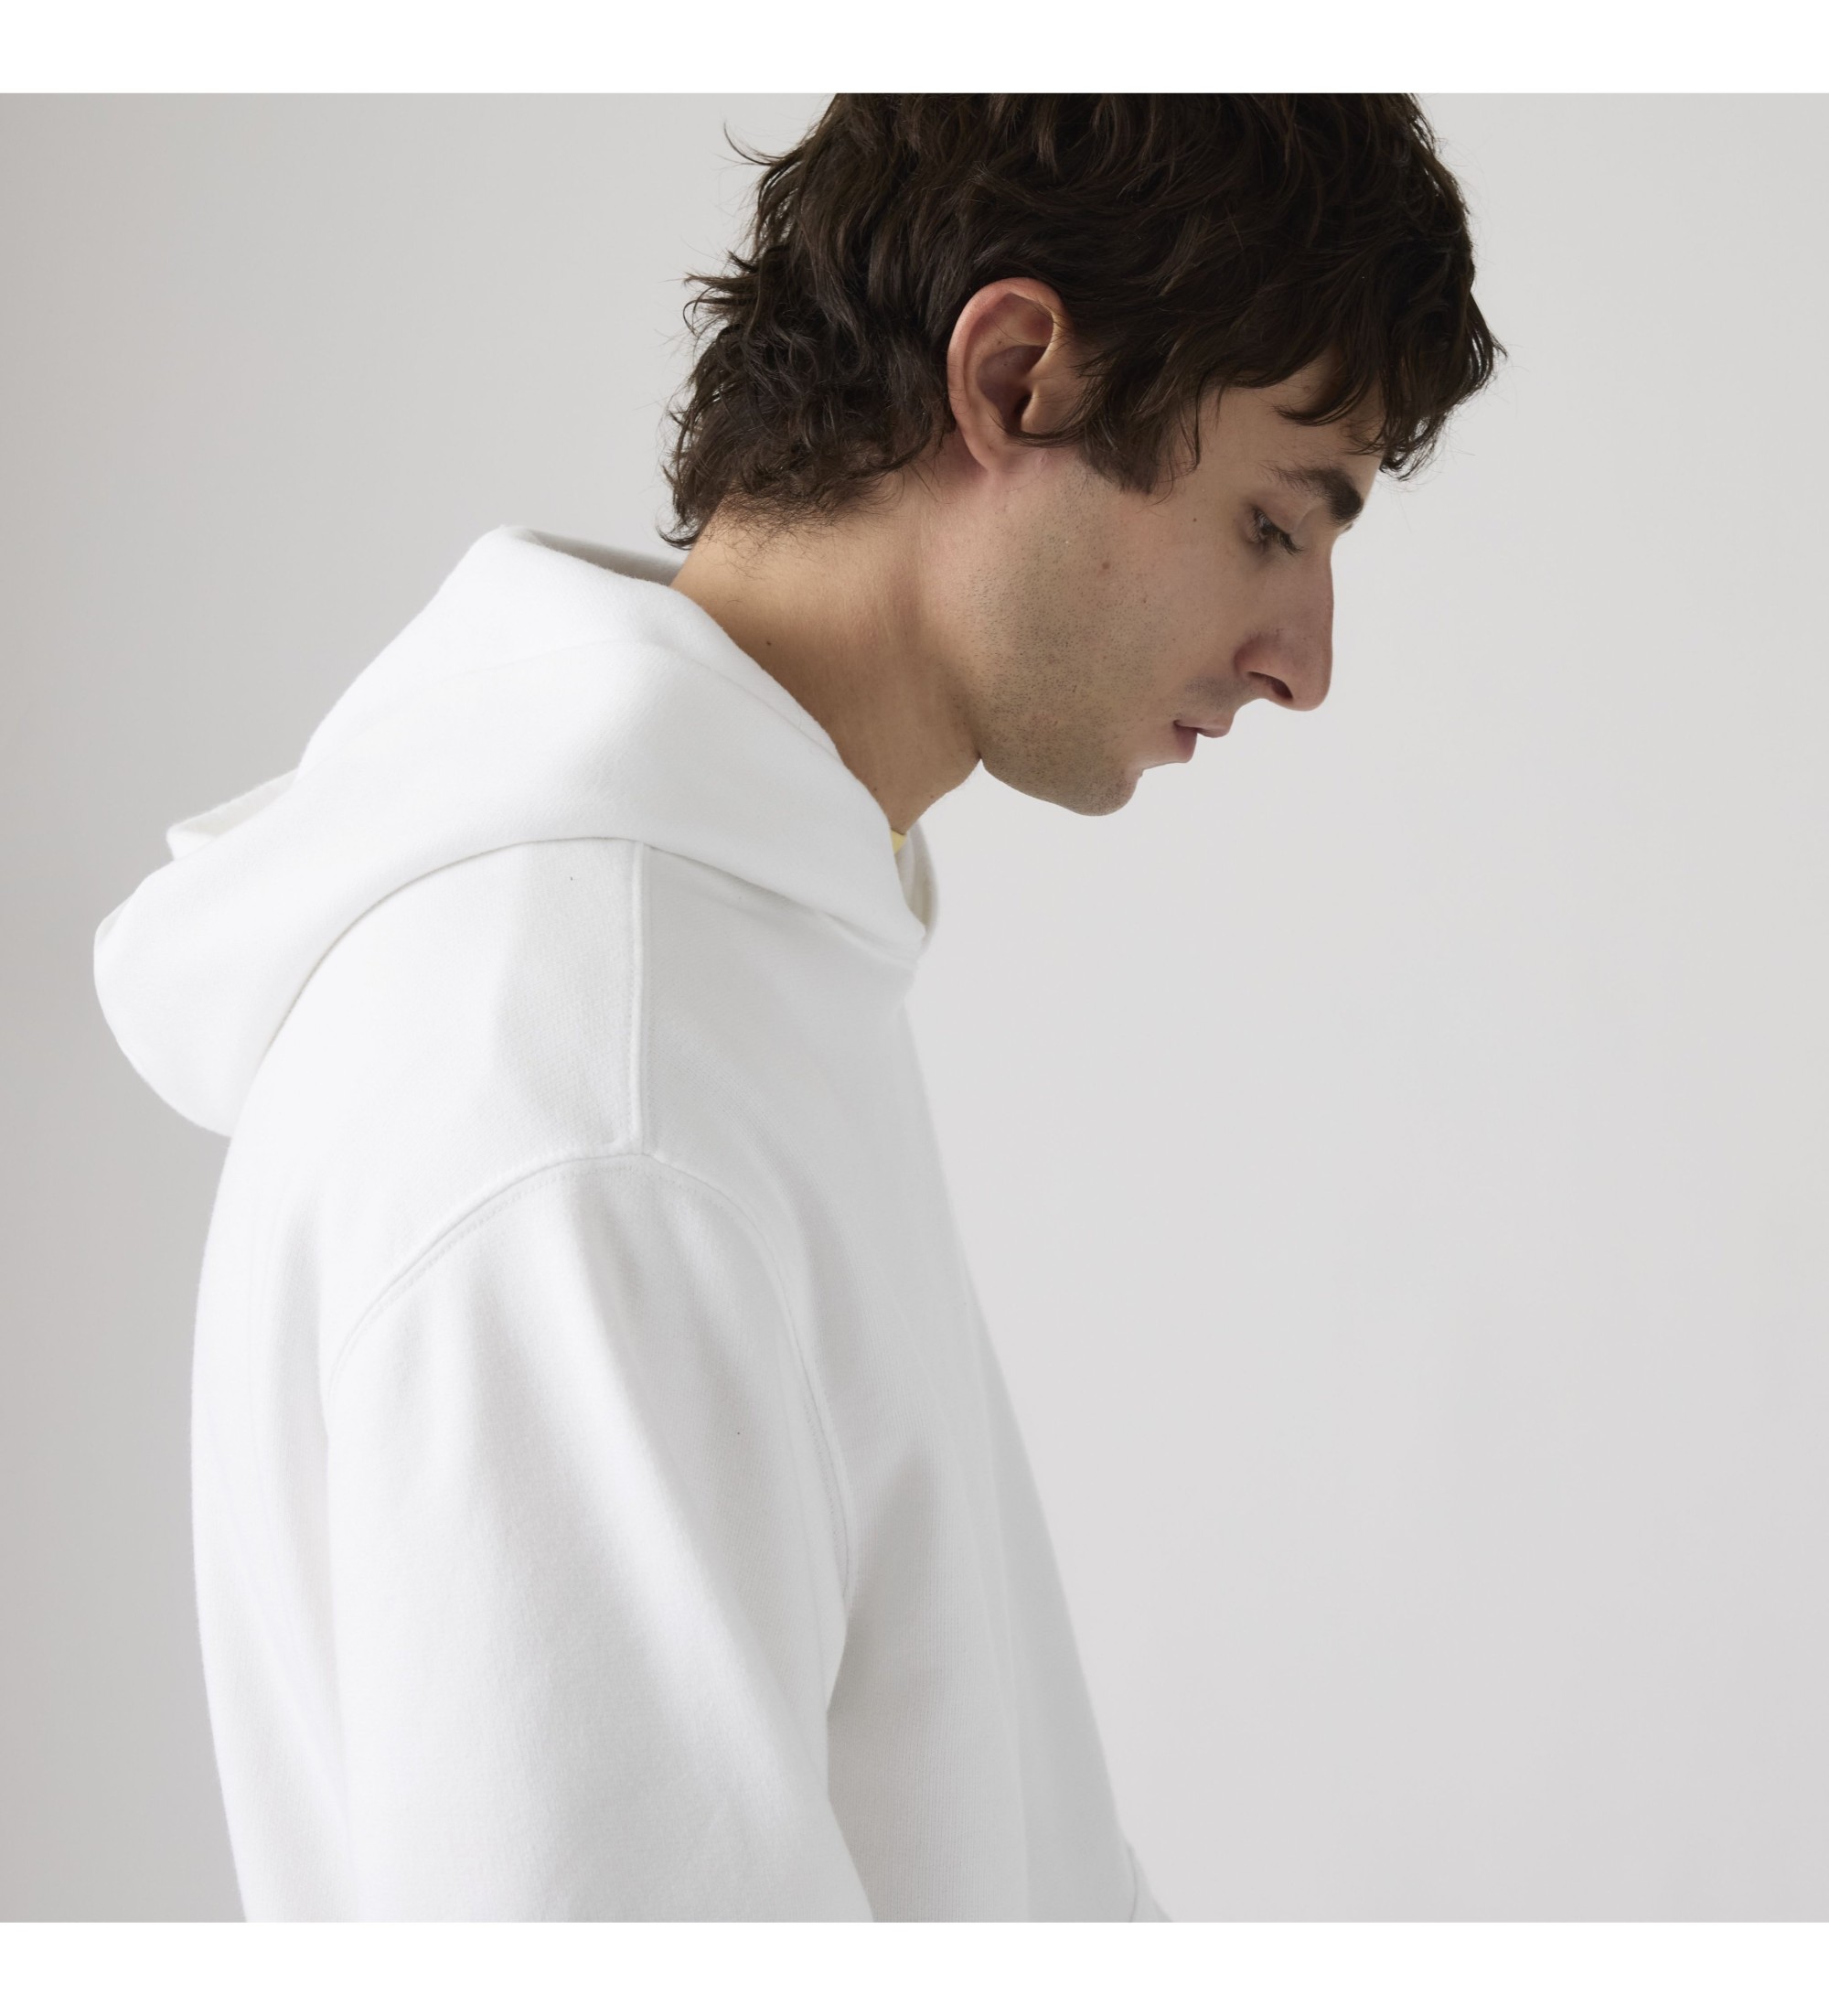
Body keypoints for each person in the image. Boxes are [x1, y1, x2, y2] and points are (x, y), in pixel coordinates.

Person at [91, 93, 1501, 1921]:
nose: (1304, 660)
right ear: (1014, 377)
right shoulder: (592, 1087)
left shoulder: (731, 957)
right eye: (1270, 523)